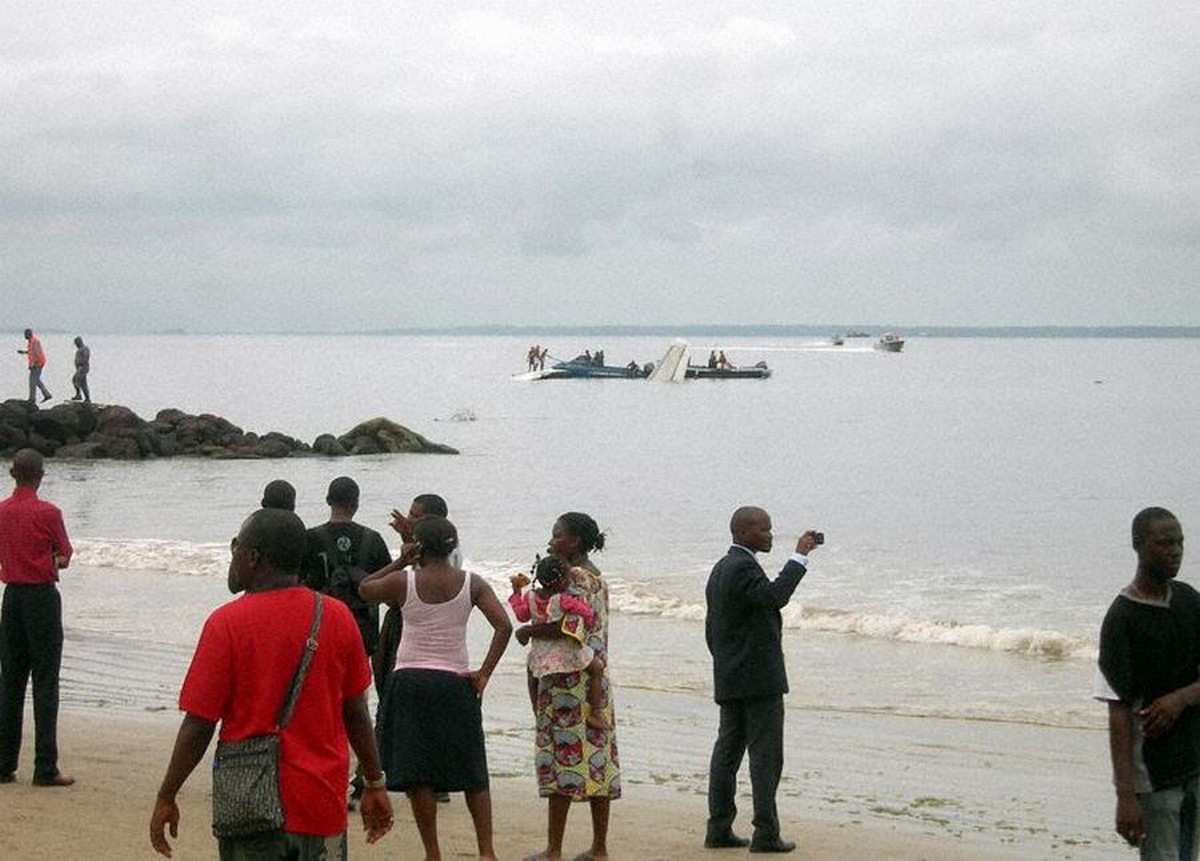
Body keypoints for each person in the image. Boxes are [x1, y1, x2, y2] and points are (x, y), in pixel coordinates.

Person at [149, 508, 393, 858]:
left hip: (252, 804)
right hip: (321, 803)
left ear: (252, 556)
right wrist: (374, 782)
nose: (232, 554)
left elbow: (199, 723)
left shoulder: (226, 624)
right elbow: (356, 711)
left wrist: (167, 794)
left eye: (236, 546)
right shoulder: (337, 617)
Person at [359, 515, 511, 861]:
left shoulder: (403, 581)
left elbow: (365, 589)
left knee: (419, 773)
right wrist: (484, 672)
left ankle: (433, 853)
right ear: (454, 546)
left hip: (410, 681)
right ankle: (486, 852)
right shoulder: (472, 583)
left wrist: (401, 559)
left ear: (419, 547)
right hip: (455, 681)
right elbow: (503, 626)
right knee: (473, 770)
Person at [704, 506, 821, 853]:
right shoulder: (742, 567)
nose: (770, 535)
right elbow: (775, 597)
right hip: (759, 679)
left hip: (731, 675)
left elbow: (713, 627)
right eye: (764, 530)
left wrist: (724, 663)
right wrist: (799, 557)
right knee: (765, 756)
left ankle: (719, 827)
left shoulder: (722, 568)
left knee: (727, 752)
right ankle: (765, 832)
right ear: (742, 533)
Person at [1096, 507, 1200, 858]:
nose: (1175, 550)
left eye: (1180, 542)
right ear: (1139, 545)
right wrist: (1125, 796)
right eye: (1164, 543)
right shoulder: (1122, 618)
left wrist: (1181, 699)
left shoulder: (1188, 600)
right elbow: (1119, 709)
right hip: (1155, 775)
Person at [516, 511, 620, 861]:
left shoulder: (572, 578)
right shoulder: (597, 577)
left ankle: (554, 849)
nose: (550, 541)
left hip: (565, 680)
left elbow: (568, 627)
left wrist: (529, 630)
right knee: (599, 761)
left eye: (556, 535)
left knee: (559, 760)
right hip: (596, 678)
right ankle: (600, 848)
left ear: (573, 542)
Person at [0, 449, 73, 787]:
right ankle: (45, 766)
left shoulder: (2, 511)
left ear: (14, 474)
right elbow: (65, 556)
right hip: (41, 597)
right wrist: (48, 560)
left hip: (12, 597)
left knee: (11, 681)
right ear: (40, 475)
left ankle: (4, 763)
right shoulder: (48, 512)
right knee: (45, 682)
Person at [509, 555, 606, 730]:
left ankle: (537, 712)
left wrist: (516, 594)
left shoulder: (530, 597)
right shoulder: (563, 599)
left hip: (541, 653)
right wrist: (590, 621)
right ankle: (596, 712)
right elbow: (586, 613)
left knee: (532, 676)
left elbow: (521, 615)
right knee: (597, 668)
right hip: (566, 651)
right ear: (562, 581)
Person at [304, 477, 391, 665]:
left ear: (328, 500)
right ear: (356, 503)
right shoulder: (373, 539)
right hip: (362, 630)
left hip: (320, 627)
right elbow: (389, 588)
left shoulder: (310, 538)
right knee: (357, 686)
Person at [17, 329, 51, 404]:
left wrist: (34, 364)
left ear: (29, 334)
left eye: (25, 334)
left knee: (32, 381)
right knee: (36, 380)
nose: (24, 336)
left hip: (38, 364)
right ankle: (47, 394)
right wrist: (24, 352)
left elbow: (37, 353)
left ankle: (32, 399)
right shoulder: (31, 342)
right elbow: (32, 352)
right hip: (36, 364)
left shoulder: (34, 342)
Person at [71, 336, 90, 403]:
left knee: (75, 380)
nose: (76, 345)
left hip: (82, 368)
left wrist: (81, 365)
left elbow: (86, 357)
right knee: (83, 383)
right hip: (79, 368)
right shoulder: (80, 349)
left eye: (76, 343)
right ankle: (86, 398)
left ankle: (79, 395)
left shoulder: (85, 349)